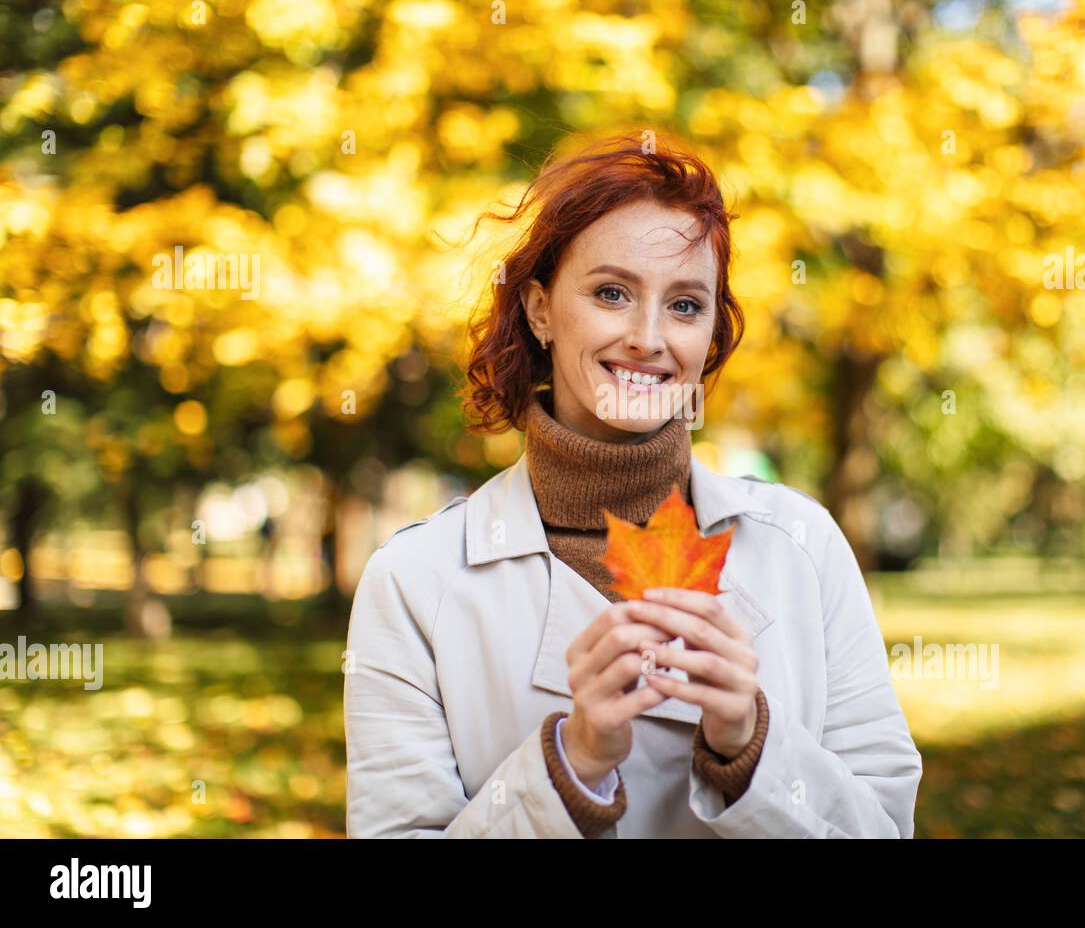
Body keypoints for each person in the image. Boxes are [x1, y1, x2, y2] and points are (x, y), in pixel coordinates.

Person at [344, 131, 922, 837]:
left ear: (710, 334)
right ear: (540, 309)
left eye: (684, 305)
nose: (648, 337)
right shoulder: (414, 582)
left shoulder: (802, 546)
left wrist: (751, 746)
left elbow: (884, 827)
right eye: (612, 293)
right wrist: (574, 764)